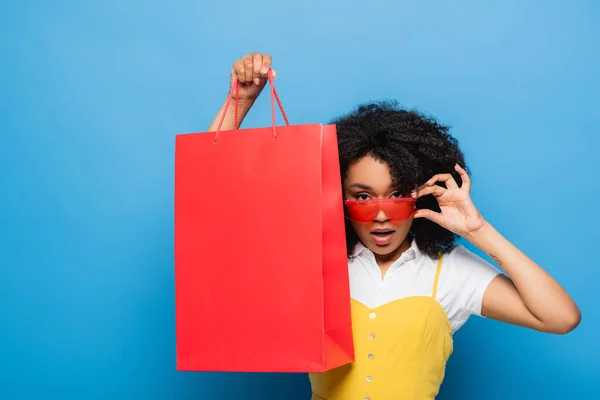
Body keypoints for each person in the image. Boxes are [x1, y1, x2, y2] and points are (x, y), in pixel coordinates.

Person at [207, 53, 581, 399]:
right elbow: (213, 197)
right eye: (363, 196)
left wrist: (477, 230)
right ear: (339, 199)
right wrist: (240, 102)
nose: (382, 214)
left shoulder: (450, 271)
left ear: (419, 196)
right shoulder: (316, 263)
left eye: (396, 194)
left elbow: (561, 318)